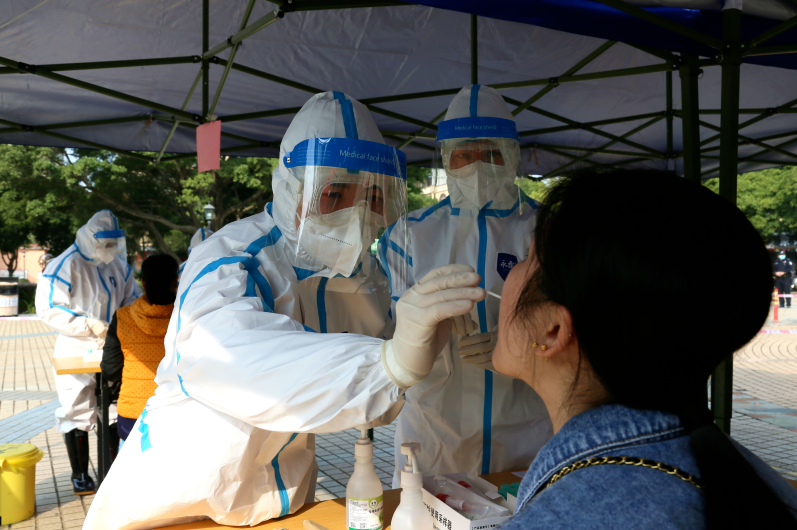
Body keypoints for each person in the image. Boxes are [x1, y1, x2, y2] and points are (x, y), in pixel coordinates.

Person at [84, 91, 485, 530]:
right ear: (292, 188)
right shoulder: (231, 258)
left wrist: (425, 334)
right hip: (175, 504)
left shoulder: (360, 274)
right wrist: (391, 361)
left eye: (371, 197)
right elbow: (237, 360)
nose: (355, 214)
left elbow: (366, 379)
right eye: (334, 193)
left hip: (284, 503)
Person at [492, 170, 797, 529]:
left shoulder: (568, 517)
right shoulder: (754, 483)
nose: (509, 274)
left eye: (527, 258)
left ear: (553, 330)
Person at [380, 84, 552, 484]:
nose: (476, 165)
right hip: (435, 431)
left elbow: (574, 321)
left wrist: (522, 345)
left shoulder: (546, 229)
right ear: (446, 158)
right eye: (464, 155)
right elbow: (387, 327)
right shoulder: (408, 235)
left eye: (490, 153)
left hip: (525, 426)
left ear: (511, 155)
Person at [35, 210, 141, 495]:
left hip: (112, 346)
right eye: (104, 244)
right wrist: (87, 325)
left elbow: (134, 299)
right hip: (76, 345)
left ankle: (112, 472)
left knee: (114, 408)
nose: (109, 250)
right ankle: (80, 476)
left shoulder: (117, 265)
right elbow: (48, 307)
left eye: (112, 244)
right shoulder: (66, 265)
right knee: (77, 407)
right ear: (89, 238)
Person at [100, 254, 178, 445]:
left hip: (133, 413)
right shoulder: (187, 317)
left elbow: (110, 369)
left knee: (131, 472)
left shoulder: (122, 317)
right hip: (178, 411)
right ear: (176, 281)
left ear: (142, 282)